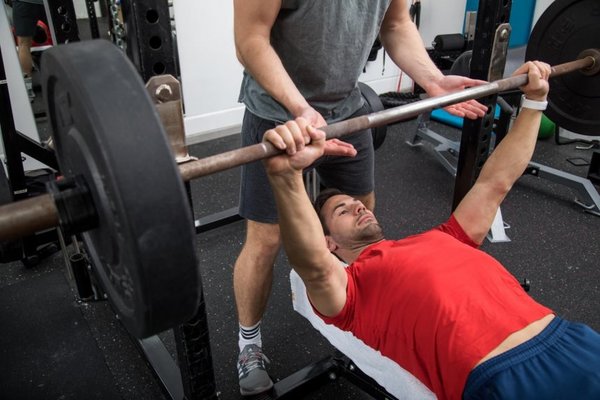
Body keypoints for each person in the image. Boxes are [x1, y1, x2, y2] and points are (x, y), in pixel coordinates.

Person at [262, 61, 600, 400]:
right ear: (329, 242)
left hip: (570, 339)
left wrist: (535, 102)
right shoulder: (352, 295)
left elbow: (495, 183)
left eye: (354, 201)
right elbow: (315, 269)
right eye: (342, 210)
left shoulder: (447, 235)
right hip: (500, 377)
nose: (358, 205)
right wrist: (287, 177)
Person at [232, 0, 488, 394]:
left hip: (348, 110)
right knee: (266, 239)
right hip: (276, 115)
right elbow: (250, 40)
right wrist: (301, 109)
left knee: (360, 217)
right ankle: (248, 344)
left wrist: (434, 81)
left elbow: (397, 23)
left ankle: (358, 316)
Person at [11, 0, 47, 100]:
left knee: (23, 44)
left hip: (25, 2)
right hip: (49, 4)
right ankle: (68, 81)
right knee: (61, 37)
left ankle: (28, 89)